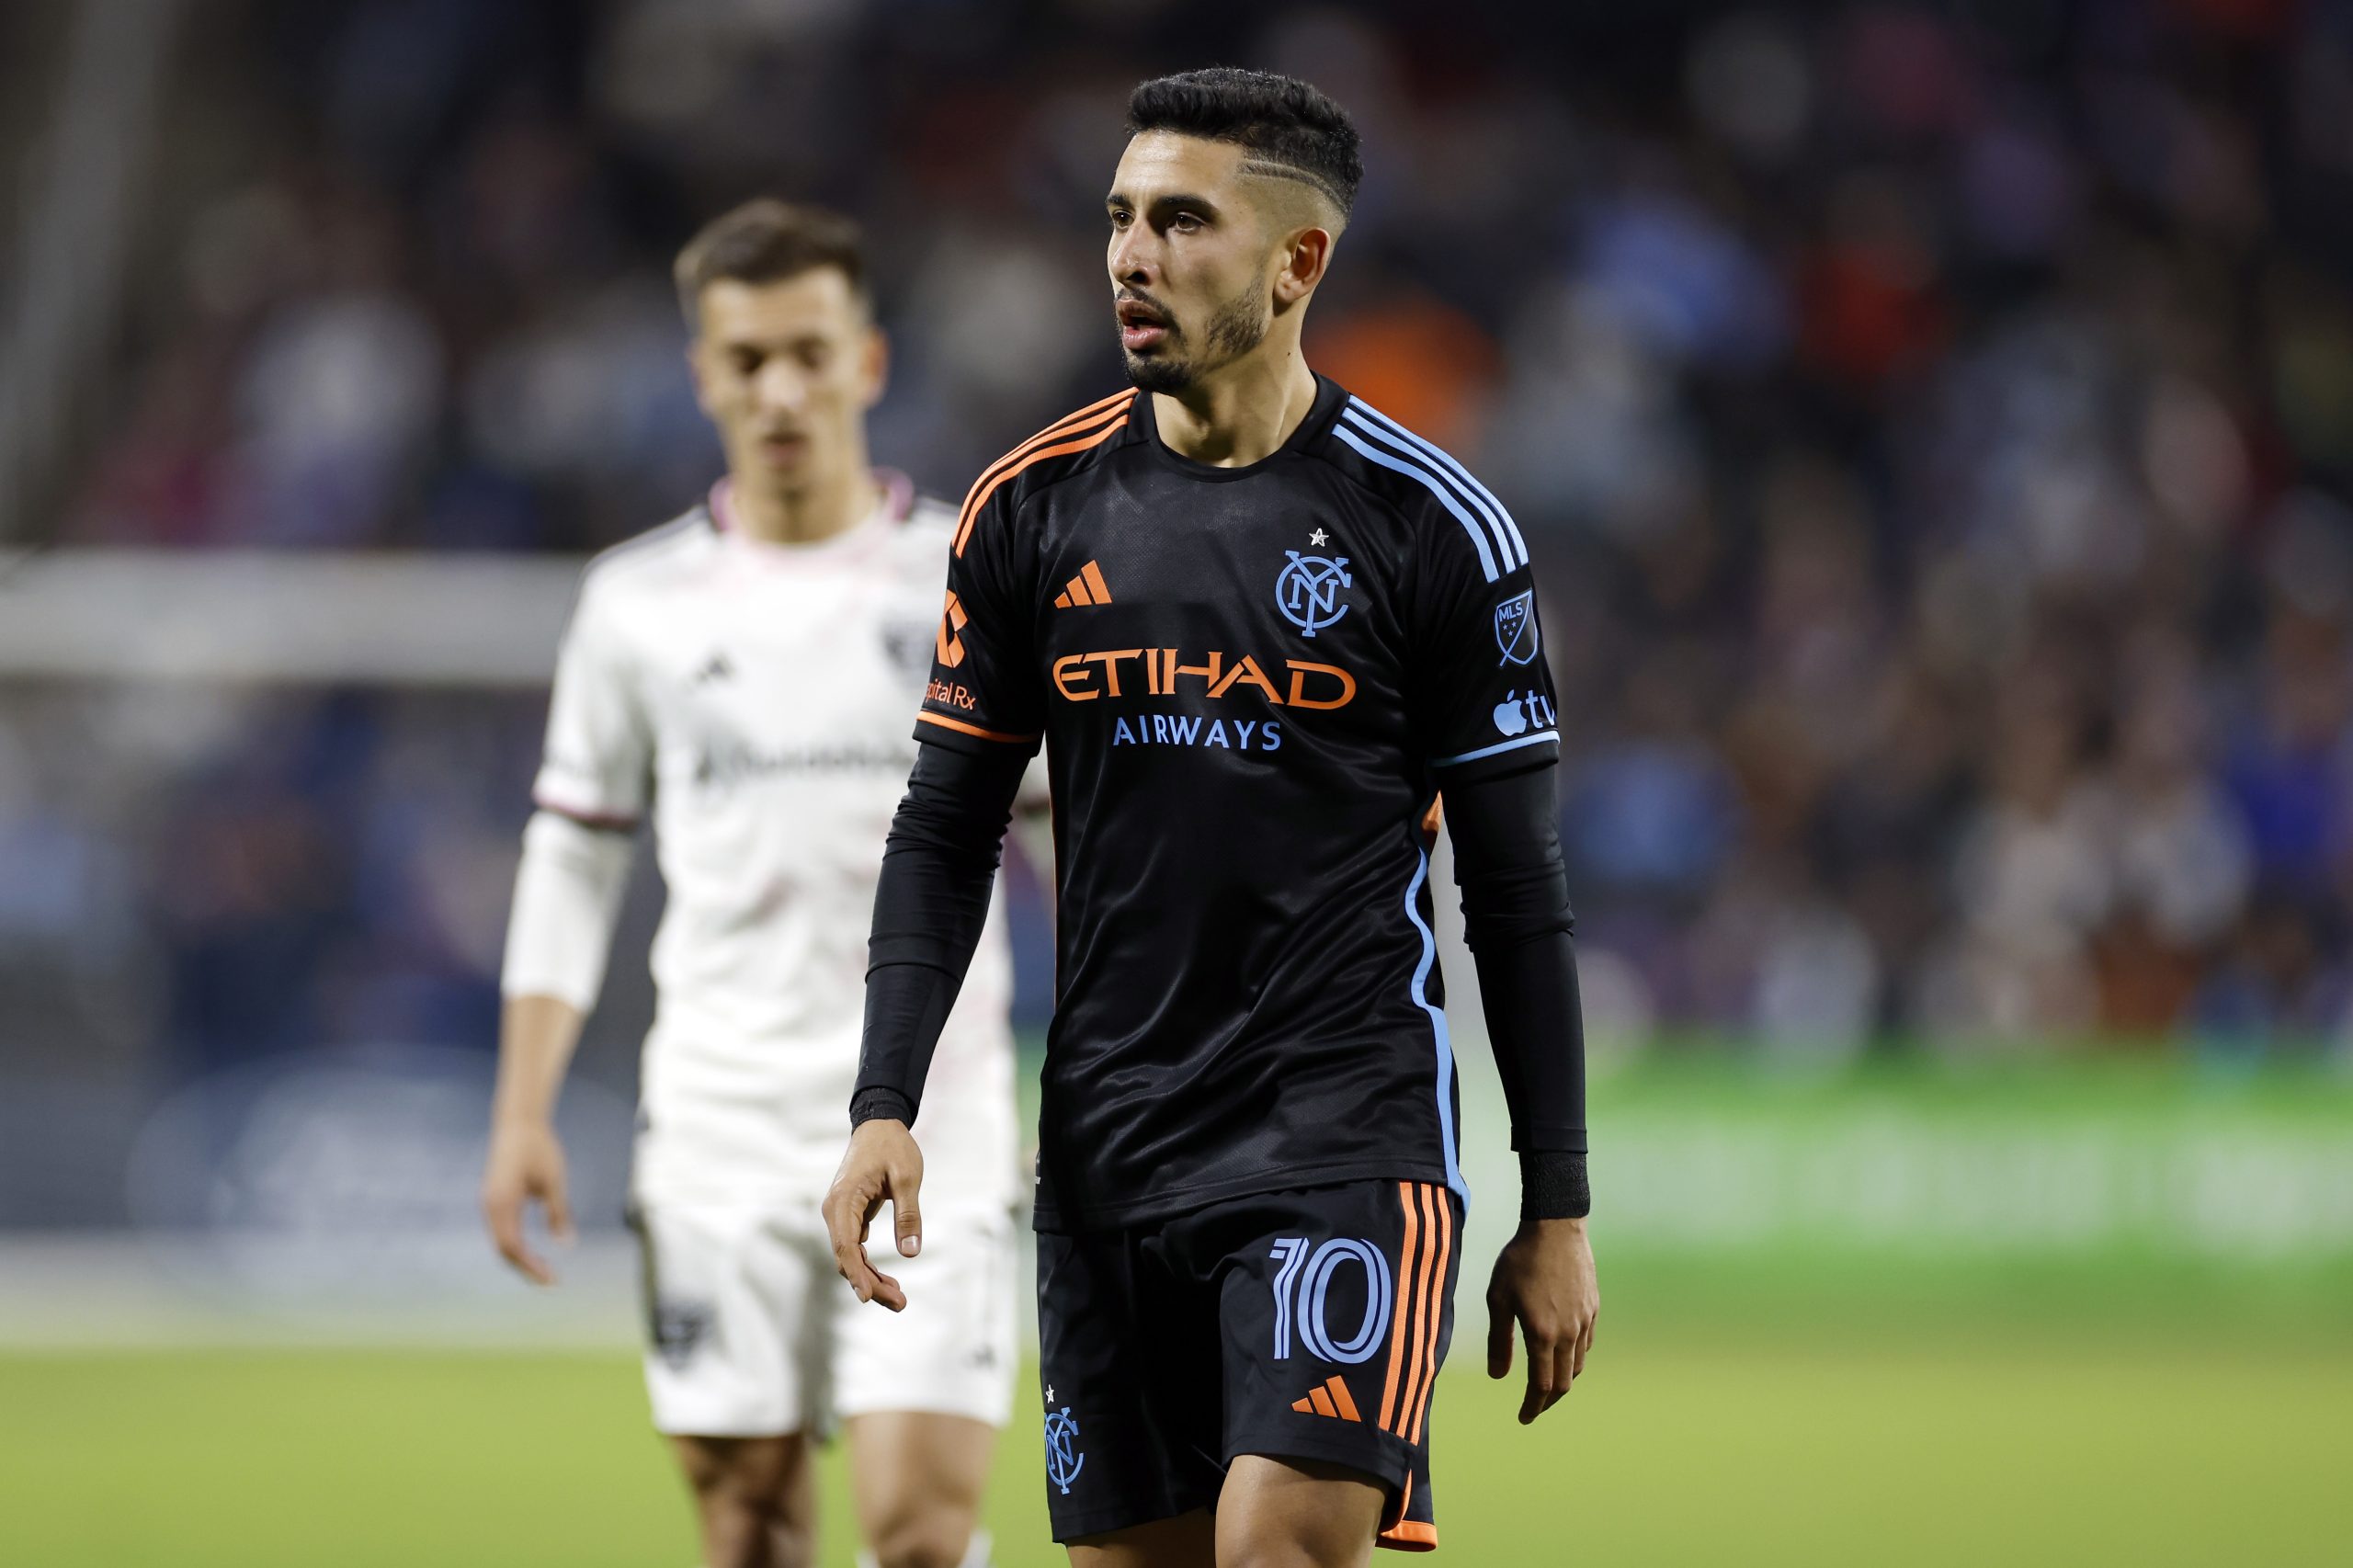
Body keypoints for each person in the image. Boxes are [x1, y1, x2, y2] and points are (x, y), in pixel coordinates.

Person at [824, 69, 1597, 1567]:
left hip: (1340, 1131)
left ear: (1298, 263)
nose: (1130, 253)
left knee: (1279, 1548)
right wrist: (883, 1102)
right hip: (1109, 1141)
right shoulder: (1027, 510)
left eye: (1181, 220)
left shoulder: (1434, 528)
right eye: (1120, 217)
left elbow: (1518, 897)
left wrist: (1554, 1205)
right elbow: (944, 828)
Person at [482, 199, 1025, 1568]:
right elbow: (573, 855)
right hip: (718, 1126)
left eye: (807, 350)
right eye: (746, 358)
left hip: (937, 1124)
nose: (779, 387)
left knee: (917, 1523)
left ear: (869, 362)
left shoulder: (972, 574)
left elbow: (1084, 847)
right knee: (746, 1526)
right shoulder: (636, 604)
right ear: (703, 375)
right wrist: (522, 1107)